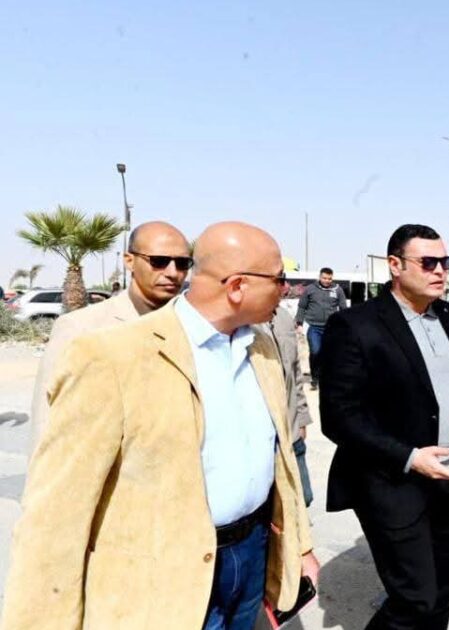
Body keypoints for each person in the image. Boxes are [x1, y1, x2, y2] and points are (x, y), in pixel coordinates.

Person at [2, 222, 319, 630]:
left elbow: (282, 465)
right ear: (237, 286)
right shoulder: (111, 356)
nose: (287, 290)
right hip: (165, 577)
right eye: (279, 279)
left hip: (250, 556)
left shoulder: (261, 348)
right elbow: (56, 512)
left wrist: (299, 546)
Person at [320, 224, 449, 630]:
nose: (440, 271)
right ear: (395, 265)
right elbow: (339, 416)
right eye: (428, 262)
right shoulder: (355, 325)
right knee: (414, 599)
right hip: (391, 481)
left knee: (446, 586)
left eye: (445, 262)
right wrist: (409, 457)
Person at [29, 220, 191, 448]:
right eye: (159, 262)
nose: (173, 273)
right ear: (129, 261)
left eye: (183, 263)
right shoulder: (81, 327)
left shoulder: (191, 325)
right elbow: (46, 418)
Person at [268, 305, 315, 507]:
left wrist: (302, 416)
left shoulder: (283, 318)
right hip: (266, 438)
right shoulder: (242, 324)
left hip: (292, 430)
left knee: (303, 497)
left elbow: (295, 373)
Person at [295, 266, 345, 389]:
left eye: (329, 278)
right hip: (314, 327)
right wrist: (299, 323)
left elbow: (343, 308)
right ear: (320, 277)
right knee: (316, 351)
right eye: (324, 278)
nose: (327, 281)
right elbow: (302, 306)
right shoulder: (310, 289)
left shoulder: (337, 290)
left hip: (331, 328)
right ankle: (315, 377)